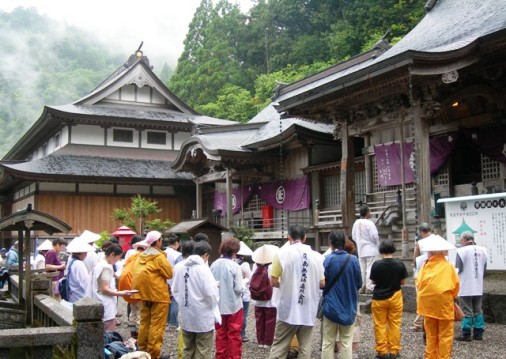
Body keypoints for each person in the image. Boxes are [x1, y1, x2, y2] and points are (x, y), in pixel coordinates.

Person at [268, 224, 324, 359]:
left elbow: (273, 281)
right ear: (305, 238)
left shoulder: (281, 254)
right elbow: (322, 283)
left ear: (289, 238)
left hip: (288, 307)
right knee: (305, 347)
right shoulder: (318, 257)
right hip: (308, 307)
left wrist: (287, 284)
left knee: (279, 345)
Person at [130, 230, 173, 359]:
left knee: (144, 323)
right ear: (158, 241)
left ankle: (142, 350)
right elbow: (169, 273)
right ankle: (153, 354)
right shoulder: (159, 257)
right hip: (158, 295)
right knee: (157, 325)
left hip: (144, 294)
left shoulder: (141, 256)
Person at [173, 241, 219, 359]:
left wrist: (184, 302)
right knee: (203, 350)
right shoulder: (203, 269)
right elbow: (211, 294)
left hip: (186, 314)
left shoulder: (181, 267)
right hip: (202, 315)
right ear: (205, 255)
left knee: (188, 349)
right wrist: (213, 304)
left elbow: (175, 290)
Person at [416, 237, 460, 359]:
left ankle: (430, 356)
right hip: (444, 305)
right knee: (445, 335)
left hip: (427, 306)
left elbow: (418, 283)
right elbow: (456, 286)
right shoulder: (448, 267)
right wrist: (453, 297)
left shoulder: (425, 266)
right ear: (444, 252)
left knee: (431, 335)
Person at [321, 230, 361, 359]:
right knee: (346, 343)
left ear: (331, 243)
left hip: (330, 306)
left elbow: (322, 283)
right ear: (345, 242)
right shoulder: (354, 260)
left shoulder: (326, 260)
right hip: (349, 306)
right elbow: (359, 283)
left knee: (328, 342)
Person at [370, 239, 408, 359]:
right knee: (395, 324)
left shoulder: (376, 264)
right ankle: (394, 350)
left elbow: (373, 281)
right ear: (393, 249)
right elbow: (403, 282)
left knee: (379, 324)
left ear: (381, 250)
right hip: (395, 296)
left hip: (379, 298)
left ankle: (381, 351)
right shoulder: (400, 264)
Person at [210, 237, 244, 359]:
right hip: (233, 305)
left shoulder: (213, 264)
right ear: (234, 251)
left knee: (220, 333)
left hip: (218, 306)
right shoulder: (235, 266)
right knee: (234, 334)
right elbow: (239, 288)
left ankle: (220, 356)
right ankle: (233, 356)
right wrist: (245, 287)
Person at [87, 243, 132, 330]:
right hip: (106, 303)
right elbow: (105, 289)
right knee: (108, 332)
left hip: (98, 300)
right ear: (112, 254)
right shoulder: (106, 267)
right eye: (118, 258)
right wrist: (121, 293)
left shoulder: (99, 264)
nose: (117, 261)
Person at [455, 231, 488, 341]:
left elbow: (457, 269)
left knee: (466, 310)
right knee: (478, 310)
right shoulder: (483, 250)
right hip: (478, 285)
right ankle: (479, 333)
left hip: (465, 286)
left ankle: (466, 334)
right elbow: (484, 269)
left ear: (464, 240)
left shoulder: (461, 251)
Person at [251, 245, 278, 349]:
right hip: (270, 299)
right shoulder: (272, 266)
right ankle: (268, 342)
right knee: (270, 321)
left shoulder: (255, 266)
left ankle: (260, 341)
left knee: (259, 320)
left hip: (257, 298)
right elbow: (274, 282)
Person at [119, 238, 149, 328]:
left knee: (133, 306)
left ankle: (132, 322)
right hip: (138, 284)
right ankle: (139, 324)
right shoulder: (143, 258)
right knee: (140, 308)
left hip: (129, 283)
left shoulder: (132, 257)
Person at [351, 205, 379, 294]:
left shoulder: (356, 223)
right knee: (370, 268)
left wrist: (359, 242)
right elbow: (374, 236)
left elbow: (353, 236)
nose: (370, 213)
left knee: (362, 269)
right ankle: (369, 287)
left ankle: (362, 286)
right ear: (367, 212)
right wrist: (376, 243)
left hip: (361, 249)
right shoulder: (370, 223)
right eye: (369, 211)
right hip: (370, 248)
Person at [411, 223, 433, 331]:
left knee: (421, 297)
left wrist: (414, 266)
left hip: (423, 272)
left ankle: (419, 322)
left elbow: (415, 259)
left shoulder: (420, 243)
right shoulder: (438, 239)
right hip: (436, 271)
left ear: (422, 232)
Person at [65, 238, 95, 303]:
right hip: (79, 297)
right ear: (82, 253)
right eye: (86, 252)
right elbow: (86, 283)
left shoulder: (70, 260)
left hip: (72, 294)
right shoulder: (79, 264)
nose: (86, 255)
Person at [236, 243, 253, 343]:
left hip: (234, 293)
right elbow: (250, 279)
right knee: (243, 315)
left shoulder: (231, 262)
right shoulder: (244, 264)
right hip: (244, 293)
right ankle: (241, 334)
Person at [165, 234, 183, 330]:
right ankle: (173, 323)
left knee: (167, 302)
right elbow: (180, 268)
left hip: (164, 281)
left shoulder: (163, 253)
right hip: (174, 280)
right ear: (176, 243)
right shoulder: (177, 255)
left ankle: (167, 322)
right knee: (174, 301)